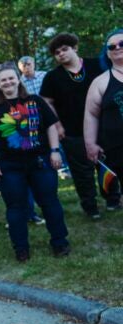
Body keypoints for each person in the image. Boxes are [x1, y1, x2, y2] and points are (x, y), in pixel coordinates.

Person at [0, 65, 70, 262]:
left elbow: (51, 127)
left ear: (18, 79)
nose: (8, 82)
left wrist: (55, 151)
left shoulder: (35, 101)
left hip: (40, 161)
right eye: (3, 80)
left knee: (50, 202)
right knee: (15, 208)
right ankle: (21, 248)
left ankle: (60, 242)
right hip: (9, 167)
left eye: (11, 78)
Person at [41, 32, 105, 218]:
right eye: (57, 52)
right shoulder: (52, 77)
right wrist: (58, 126)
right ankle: (90, 207)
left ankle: (113, 199)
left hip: (102, 127)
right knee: (81, 172)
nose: (61, 54)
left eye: (64, 49)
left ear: (75, 48)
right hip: (72, 131)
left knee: (106, 165)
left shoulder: (96, 65)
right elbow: (47, 102)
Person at [84, 28, 123, 210]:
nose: (117, 48)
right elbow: (91, 114)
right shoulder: (100, 82)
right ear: (107, 53)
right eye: (112, 46)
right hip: (117, 148)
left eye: (122, 44)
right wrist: (90, 144)